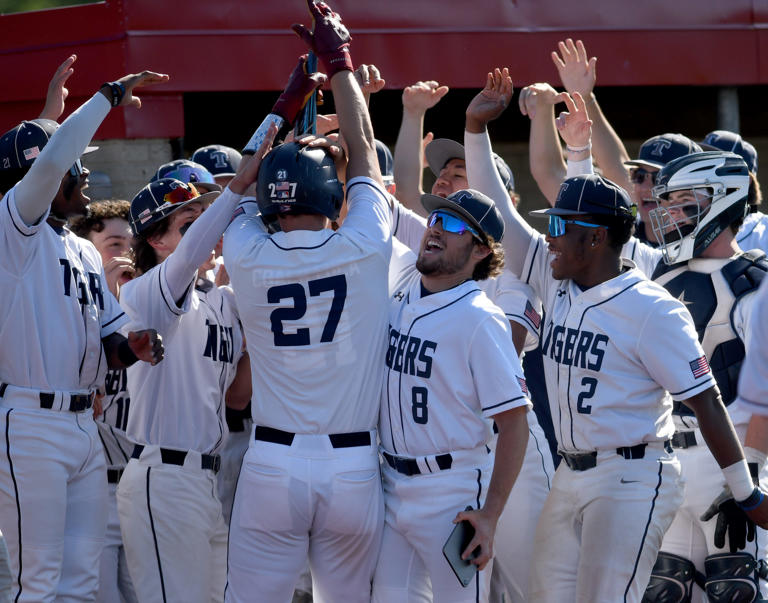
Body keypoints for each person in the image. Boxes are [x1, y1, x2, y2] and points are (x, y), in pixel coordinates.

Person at [462, 68, 768, 602]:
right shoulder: (558, 278)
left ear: (597, 237)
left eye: (561, 226)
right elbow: (502, 219)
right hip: (571, 472)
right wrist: (475, 130)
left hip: (636, 470)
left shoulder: (652, 301)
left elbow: (708, 401)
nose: (549, 237)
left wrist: (746, 491)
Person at [223, 2, 390, 600]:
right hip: (352, 466)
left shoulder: (244, 251)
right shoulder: (366, 242)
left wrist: (283, 105)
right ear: (331, 194)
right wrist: (340, 61)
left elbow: (244, 178)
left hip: (272, 462)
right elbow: (364, 146)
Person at [0, 70, 165, 602]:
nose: (85, 176)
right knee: (39, 583)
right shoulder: (13, 230)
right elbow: (46, 164)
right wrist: (105, 99)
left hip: (80, 424)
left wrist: (133, 348)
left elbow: (110, 345)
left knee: (81, 584)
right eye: (79, 166)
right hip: (28, 422)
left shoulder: (83, 249)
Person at [371, 188, 531, 602]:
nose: (437, 229)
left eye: (454, 224)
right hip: (390, 487)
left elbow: (514, 424)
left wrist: (491, 515)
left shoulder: (481, 319)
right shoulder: (401, 287)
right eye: (436, 219)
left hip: (453, 493)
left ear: (481, 251)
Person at [638, 150, 768, 601]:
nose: (669, 213)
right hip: (667, 465)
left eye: (684, 202)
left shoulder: (755, 283)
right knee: (663, 592)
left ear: (722, 201)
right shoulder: (661, 277)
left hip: (730, 464)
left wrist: (748, 480)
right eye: (668, 202)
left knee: (738, 588)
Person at [70, 199, 139, 603]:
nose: (124, 253)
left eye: (130, 243)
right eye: (114, 243)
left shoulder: (151, 297)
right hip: (93, 485)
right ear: (86, 248)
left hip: (141, 482)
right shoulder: (74, 308)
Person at [699, 129, 768, 253]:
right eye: (702, 164)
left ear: (746, 180)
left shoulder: (764, 232)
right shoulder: (685, 222)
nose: (705, 173)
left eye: (716, 165)